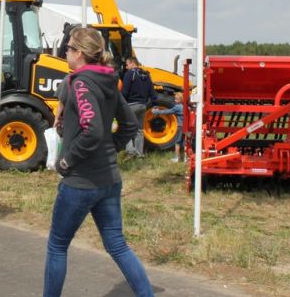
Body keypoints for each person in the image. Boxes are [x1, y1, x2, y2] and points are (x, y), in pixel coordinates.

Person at [45, 27, 154, 297]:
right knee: (117, 245)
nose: (65, 53)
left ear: (79, 53)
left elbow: (91, 129)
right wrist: (111, 148)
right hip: (109, 178)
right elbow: (129, 124)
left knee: (57, 246)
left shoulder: (79, 82)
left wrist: (67, 160)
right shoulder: (109, 81)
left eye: (68, 48)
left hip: (81, 181)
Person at [120, 56, 157, 158]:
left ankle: (131, 152)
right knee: (139, 130)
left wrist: (120, 103)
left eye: (127, 65)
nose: (126, 67)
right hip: (142, 106)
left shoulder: (129, 74)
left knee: (126, 129)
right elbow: (152, 92)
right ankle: (139, 154)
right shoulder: (146, 75)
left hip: (131, 106)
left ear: (132, 63)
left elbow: (125, 91)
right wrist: (154, 105)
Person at [153, 92, 185, 163]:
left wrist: (157, 112)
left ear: (180, 100)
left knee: (177, 142)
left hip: (180, 126)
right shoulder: (184, 106)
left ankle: (176, 158)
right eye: (175, 99)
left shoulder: (178, 107)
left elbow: (168, 111)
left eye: (176, 99)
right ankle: (185, 158)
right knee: (184, 142)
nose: (175, 101)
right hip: (185, 126)